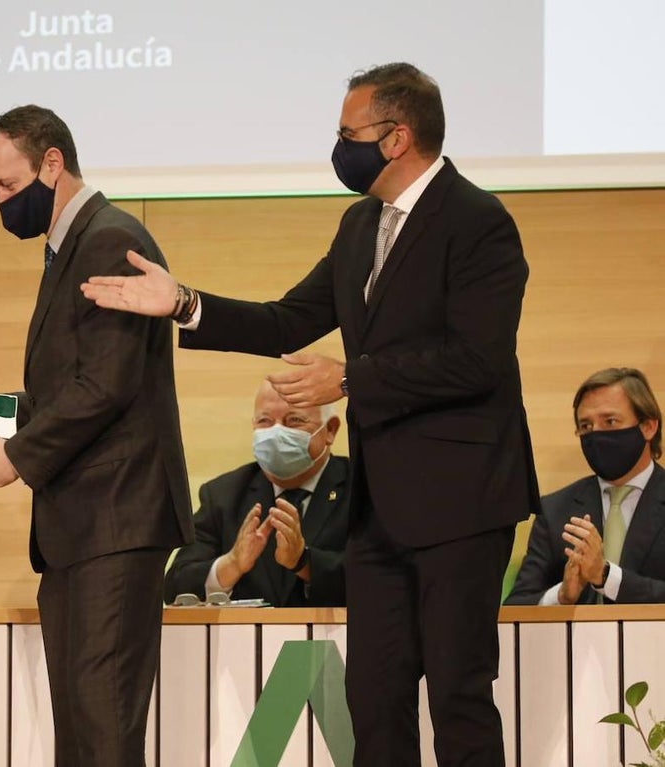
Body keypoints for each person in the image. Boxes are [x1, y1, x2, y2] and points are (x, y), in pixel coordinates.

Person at [82, 63, 540, 767]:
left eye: (347, 134)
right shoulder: (360, 224)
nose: (338, 147)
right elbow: (288, 318)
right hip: (380, 513)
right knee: (374, 700)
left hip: (463, 502)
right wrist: (183, 303)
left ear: (397, 137)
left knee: (459, 696)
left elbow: (477, 359)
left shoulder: (478, 221)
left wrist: (351, 377)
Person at [0, 105, 193, 766]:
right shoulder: (71, 246)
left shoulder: (108, 238)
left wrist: (16, 456)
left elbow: (106, 384)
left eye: (8, 185)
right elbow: (68, 386)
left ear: (52, 163)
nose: (1, 201)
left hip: (114, 520)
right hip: (82, 527)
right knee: (80, 731)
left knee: (103, 727)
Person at [165, 381, 349, 607]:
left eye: (294, 420)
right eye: (265, 422)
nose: (276, 432)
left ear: (330, 430)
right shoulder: (223, 495)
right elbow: (175, 586)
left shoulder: (361, 489)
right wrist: (232, 564)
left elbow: (381, 578)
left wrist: (305, 562)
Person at [507, 368, 665, 605]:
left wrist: (607, 577)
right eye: (586, 426)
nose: (596, 434)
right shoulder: (555, 510)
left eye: (610, 421)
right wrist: (561, 596)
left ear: (648, 427)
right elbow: (517, 606)